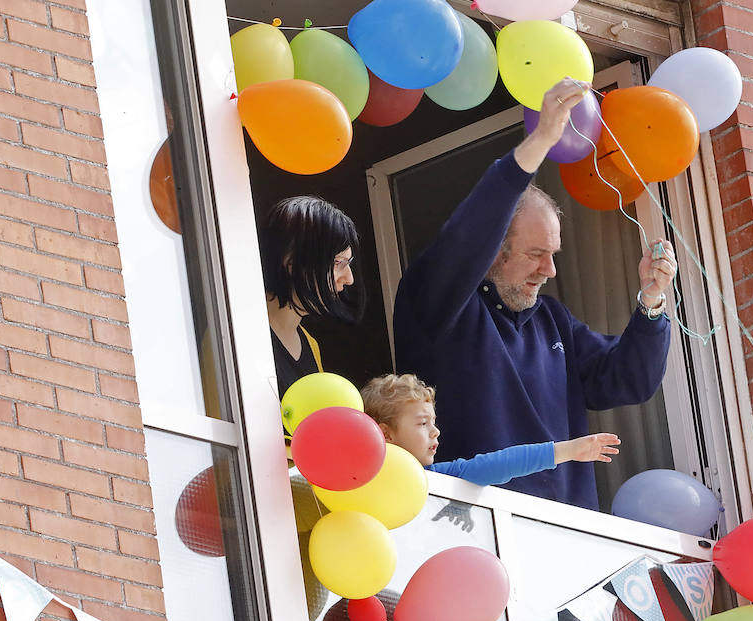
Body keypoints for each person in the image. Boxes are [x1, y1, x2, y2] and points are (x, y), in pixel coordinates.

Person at [393, 78, 678, 510]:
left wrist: (652, 304)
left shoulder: (553, 320)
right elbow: (469, 231)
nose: (550, 270)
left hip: (568, 530)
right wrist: (543, 140)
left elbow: (629, 381)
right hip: (472, 525)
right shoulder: (439, 304)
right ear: (493, 251)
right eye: (535, 254)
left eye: (554, 254)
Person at [361, 374, 620, 486]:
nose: (435, 432)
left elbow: (499, 464)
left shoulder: (437, 476)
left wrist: (570, 449)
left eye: (434, 422)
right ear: (385, 433)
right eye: (422, 423)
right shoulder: (357, 481)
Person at [261, 196, 365, 399]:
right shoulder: (240, 336)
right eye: (338, 263)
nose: (349, 278)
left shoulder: (310, 344)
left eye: (348, 263)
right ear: (291, 261)